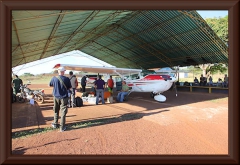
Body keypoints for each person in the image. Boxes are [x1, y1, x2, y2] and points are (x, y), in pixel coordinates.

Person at [49, 66, 72, 132]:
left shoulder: (54, 78)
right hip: (64, 97)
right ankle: (62, 127)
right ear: (63, 72)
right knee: (63, 112)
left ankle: (55, 123)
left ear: (58, 71)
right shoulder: (66, 79)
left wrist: (56, 86)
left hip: (56, 97)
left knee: (56, 110)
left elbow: (50, 85)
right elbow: (69, 87)